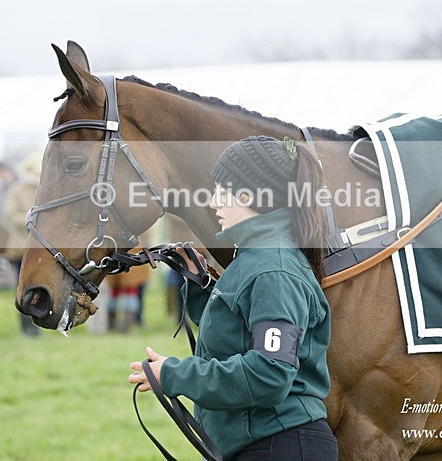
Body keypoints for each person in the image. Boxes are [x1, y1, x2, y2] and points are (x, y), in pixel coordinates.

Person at [129, 136, 338, 460]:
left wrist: (174, 374)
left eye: (221, 191)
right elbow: (236, 334)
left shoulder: (273, 269)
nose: (214, 203)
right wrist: (199, 287)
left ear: (250, 195)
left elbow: (269, 375)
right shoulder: (257, 260)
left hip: (279, 447)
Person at [2, 152, 41, 337]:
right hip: (21, 248)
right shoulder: (16, 190)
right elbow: (10, 214)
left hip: (42, 250)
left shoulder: (46, 188)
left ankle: (38, 323)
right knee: (23, 289)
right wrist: (30, 220)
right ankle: (26, 327)